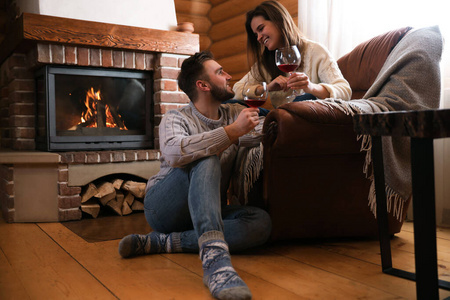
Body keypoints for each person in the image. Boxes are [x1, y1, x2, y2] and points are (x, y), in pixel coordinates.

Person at [118, 51, 272, 300]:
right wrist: (231, 132)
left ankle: (164, 243)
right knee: (206, 155)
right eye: (220, 72)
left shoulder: (234, 113)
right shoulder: (175, 118)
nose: (229, 75)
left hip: (206, 210)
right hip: (165, 207)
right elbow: (174, 152)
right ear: (203, 85)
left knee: (260, 223)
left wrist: (291, 109)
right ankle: (215, 262)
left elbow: (267, 131)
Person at [233, 0, 351, 108]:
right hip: (280, 118)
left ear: (278, 20)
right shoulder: (265, 63)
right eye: (255, 34)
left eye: (261, 28)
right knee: (230, 105)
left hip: (305, 116)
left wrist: (310, 87)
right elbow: (237, 89)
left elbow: (345, 91)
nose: (258, 38)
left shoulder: (315, 51)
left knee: (305, 98)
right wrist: (266, 88)